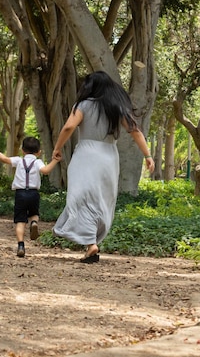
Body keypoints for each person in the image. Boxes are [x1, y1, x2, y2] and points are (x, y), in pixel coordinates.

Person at [52, 71, 155, 263]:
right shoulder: (116, 107)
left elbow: (68, 127)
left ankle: (90, 243)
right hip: (108, 156)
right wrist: (147, 155)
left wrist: (57, 148)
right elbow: (135, 131)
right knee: (101, 199)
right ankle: (91, 244)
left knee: (80, 196)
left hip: (86, 154)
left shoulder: (82, 105)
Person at [0, 136, 60, 257]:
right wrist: (55, 160)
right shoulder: (38, 162)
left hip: (20, 194)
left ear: (22, 150)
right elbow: (45, 171)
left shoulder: (19, 160)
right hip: (34, 193)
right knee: (34, 214)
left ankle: (21, 245)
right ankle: (34, 222)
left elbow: (4, 159)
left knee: (20, 221)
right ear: (39, 152)